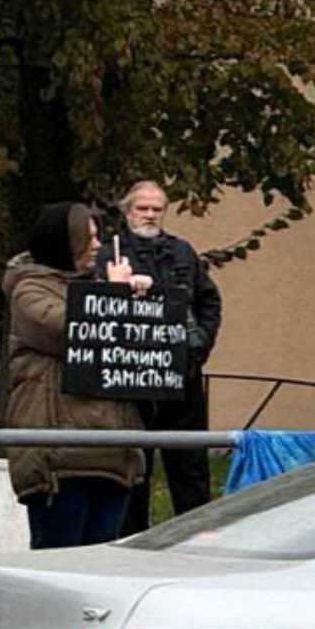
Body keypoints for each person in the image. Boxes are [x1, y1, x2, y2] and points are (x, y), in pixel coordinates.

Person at [1, 203, 145, 550]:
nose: (97, 246)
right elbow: (72, 329)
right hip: (59, 460)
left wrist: (145, 301)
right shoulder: (29, 291)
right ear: (64, 242)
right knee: (58, 564)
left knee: (101, 571)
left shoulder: (95, 286)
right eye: (89, 238)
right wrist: (115, 296)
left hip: (111, 454)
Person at [107, 182, 223, 533]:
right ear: (128, 211)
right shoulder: (111, 254)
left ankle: (196, 539)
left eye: (156, 209)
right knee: (133, 471)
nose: (149, 215)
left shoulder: (182, 251)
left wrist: (198, 347)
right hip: (131, 382)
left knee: (190, 469)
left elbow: (209, 301)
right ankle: (132, 543)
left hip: (181, 376)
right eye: (142, 208)